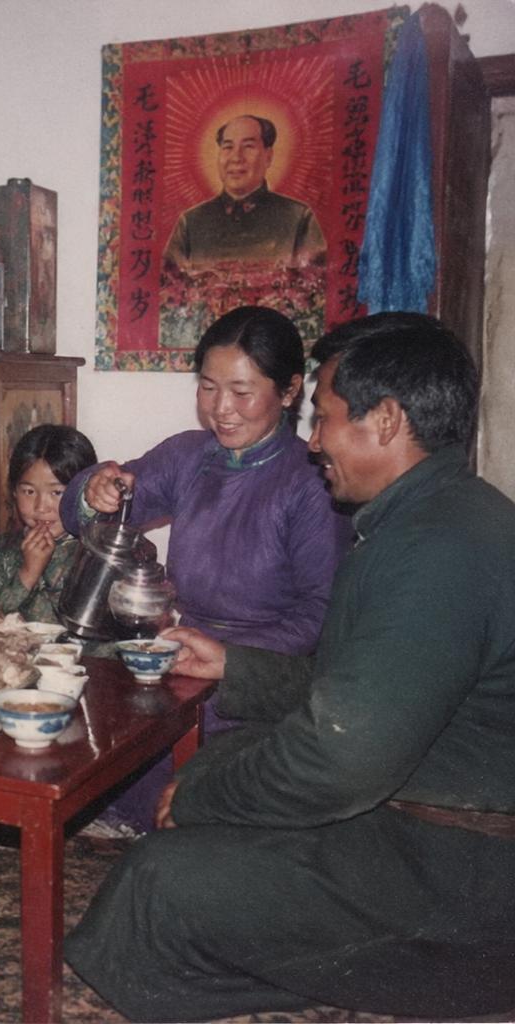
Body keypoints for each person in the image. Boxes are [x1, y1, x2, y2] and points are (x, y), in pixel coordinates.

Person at [64, 312, 515, 1021]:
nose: (314, 440)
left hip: (455, 869)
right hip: (426, 815)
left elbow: (341, 760)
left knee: (158, 882)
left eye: (327, 417)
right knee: (215, 774)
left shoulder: (438, 551)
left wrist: (203, 800)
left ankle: (447, 984)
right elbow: (366, 690)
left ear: (388, 420)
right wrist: (235, 666)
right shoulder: (435, 516)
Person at [62, 306, 349, 833]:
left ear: (288, 392)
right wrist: (96, 491)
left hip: (253, 685)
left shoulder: (311, 482)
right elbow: (87, 509)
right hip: (174, 661)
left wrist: (229, 659)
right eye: (209, 387)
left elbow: (320, 615)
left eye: (242, 392)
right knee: (74, 737)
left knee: (141, 783)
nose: (221, 409)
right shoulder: (190, 457)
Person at [163, 114, 327, 268]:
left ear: (268, 156)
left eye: (248, 146)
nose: (236, 157)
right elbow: (168, 289)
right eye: (227, 147)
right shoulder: (190, 223)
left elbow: (317, 289)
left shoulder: (299, 218)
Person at [0, 424, 97, 622]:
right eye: (29, 491)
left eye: (57, 492)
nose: (40, 507)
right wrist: (27, 574)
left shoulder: (96, 554)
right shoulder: (3, 549)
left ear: (85, 494)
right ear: (14, 492)